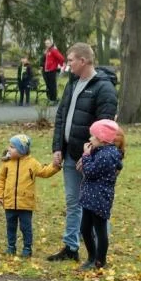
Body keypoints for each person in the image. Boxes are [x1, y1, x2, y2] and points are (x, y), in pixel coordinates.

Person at [47, 43, 118, 263]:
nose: (67, 64)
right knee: (73, 201)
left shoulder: (104, 88)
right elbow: (61, 117)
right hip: (70, 153)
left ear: (83, 61)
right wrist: (57, 148)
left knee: (95, 206)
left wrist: (89, 154)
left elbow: (105, 130)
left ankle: (97, 253)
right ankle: (71, 247)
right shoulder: (72, 84)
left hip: (92, 158)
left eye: (70, 60)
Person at [0, 134, 59, 257]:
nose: (9, 148)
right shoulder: (6, 163)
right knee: (11, 226)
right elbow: (0, 179)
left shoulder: (32, 163)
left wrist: (55, 166)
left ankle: (27, 248)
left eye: (12, 147)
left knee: (25, 227)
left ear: (22, 150)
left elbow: (44, 172)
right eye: (9, 146)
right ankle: (11, 247)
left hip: (26, 203)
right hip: (9, 202)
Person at [77, 119, 125, 271]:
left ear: (102, 139)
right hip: (90, 197)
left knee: (100, 229)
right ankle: (91, 257)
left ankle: (99, 260)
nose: (90, 139)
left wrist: (86, 155)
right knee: (85, 228)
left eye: (93, 136)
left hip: (99, 198)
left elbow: (90, 171)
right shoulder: (102, 151)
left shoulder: (107, 155)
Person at [42, 39, 65, 104]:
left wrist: (58, 65)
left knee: (52, 85)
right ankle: (50, 98)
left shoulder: (53, 50)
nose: (47, 45)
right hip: (46, 71)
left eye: (48, 43)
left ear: (51, 43)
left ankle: (53, 99)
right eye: (46, 43)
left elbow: (61, 58)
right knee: (49, 86)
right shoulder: (47, 51)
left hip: (52, 70)